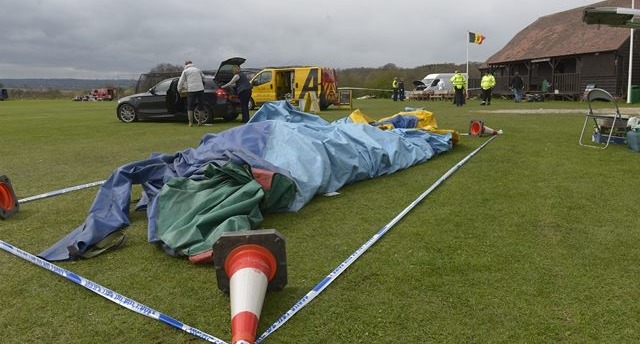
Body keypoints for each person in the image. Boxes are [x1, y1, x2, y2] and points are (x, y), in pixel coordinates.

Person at [178, 60, 205, 127]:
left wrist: (179, 89)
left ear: (186, 65)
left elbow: (181, 81)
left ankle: (190, 123)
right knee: (201, 105)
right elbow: (204, 78)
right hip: (200, 89)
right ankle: (200, 122)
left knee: (190, 106)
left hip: (191, 90)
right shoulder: (198, 70)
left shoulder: (185, 71)